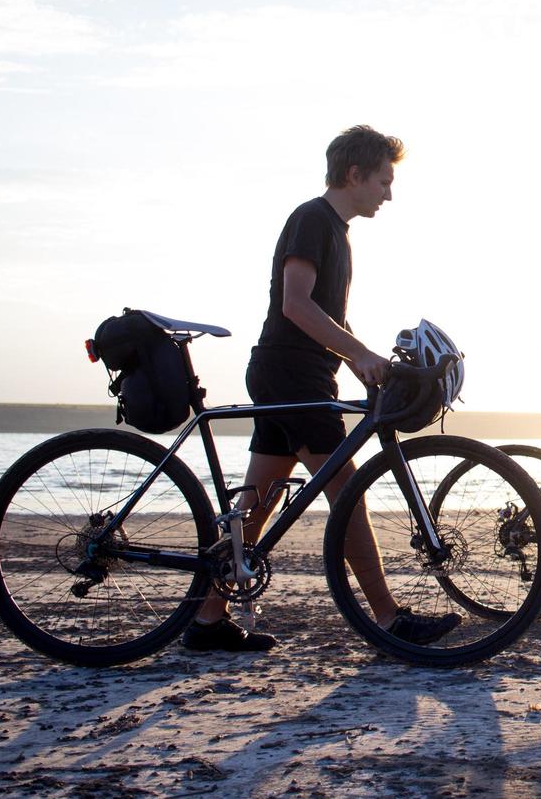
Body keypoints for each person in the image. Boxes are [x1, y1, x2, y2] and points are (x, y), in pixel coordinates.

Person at [182, 124, 461, 652]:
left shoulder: (335, 230)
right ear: (354, 175)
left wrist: (360, 357)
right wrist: (355, 353)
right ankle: (389, 618)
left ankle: (206, 622)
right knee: (348, 496)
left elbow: (326, 316)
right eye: (383, 180)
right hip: (292, 374)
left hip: (291, 372)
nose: (389, 193)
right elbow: (296, 304)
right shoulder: (313, 220)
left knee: (257, 505)